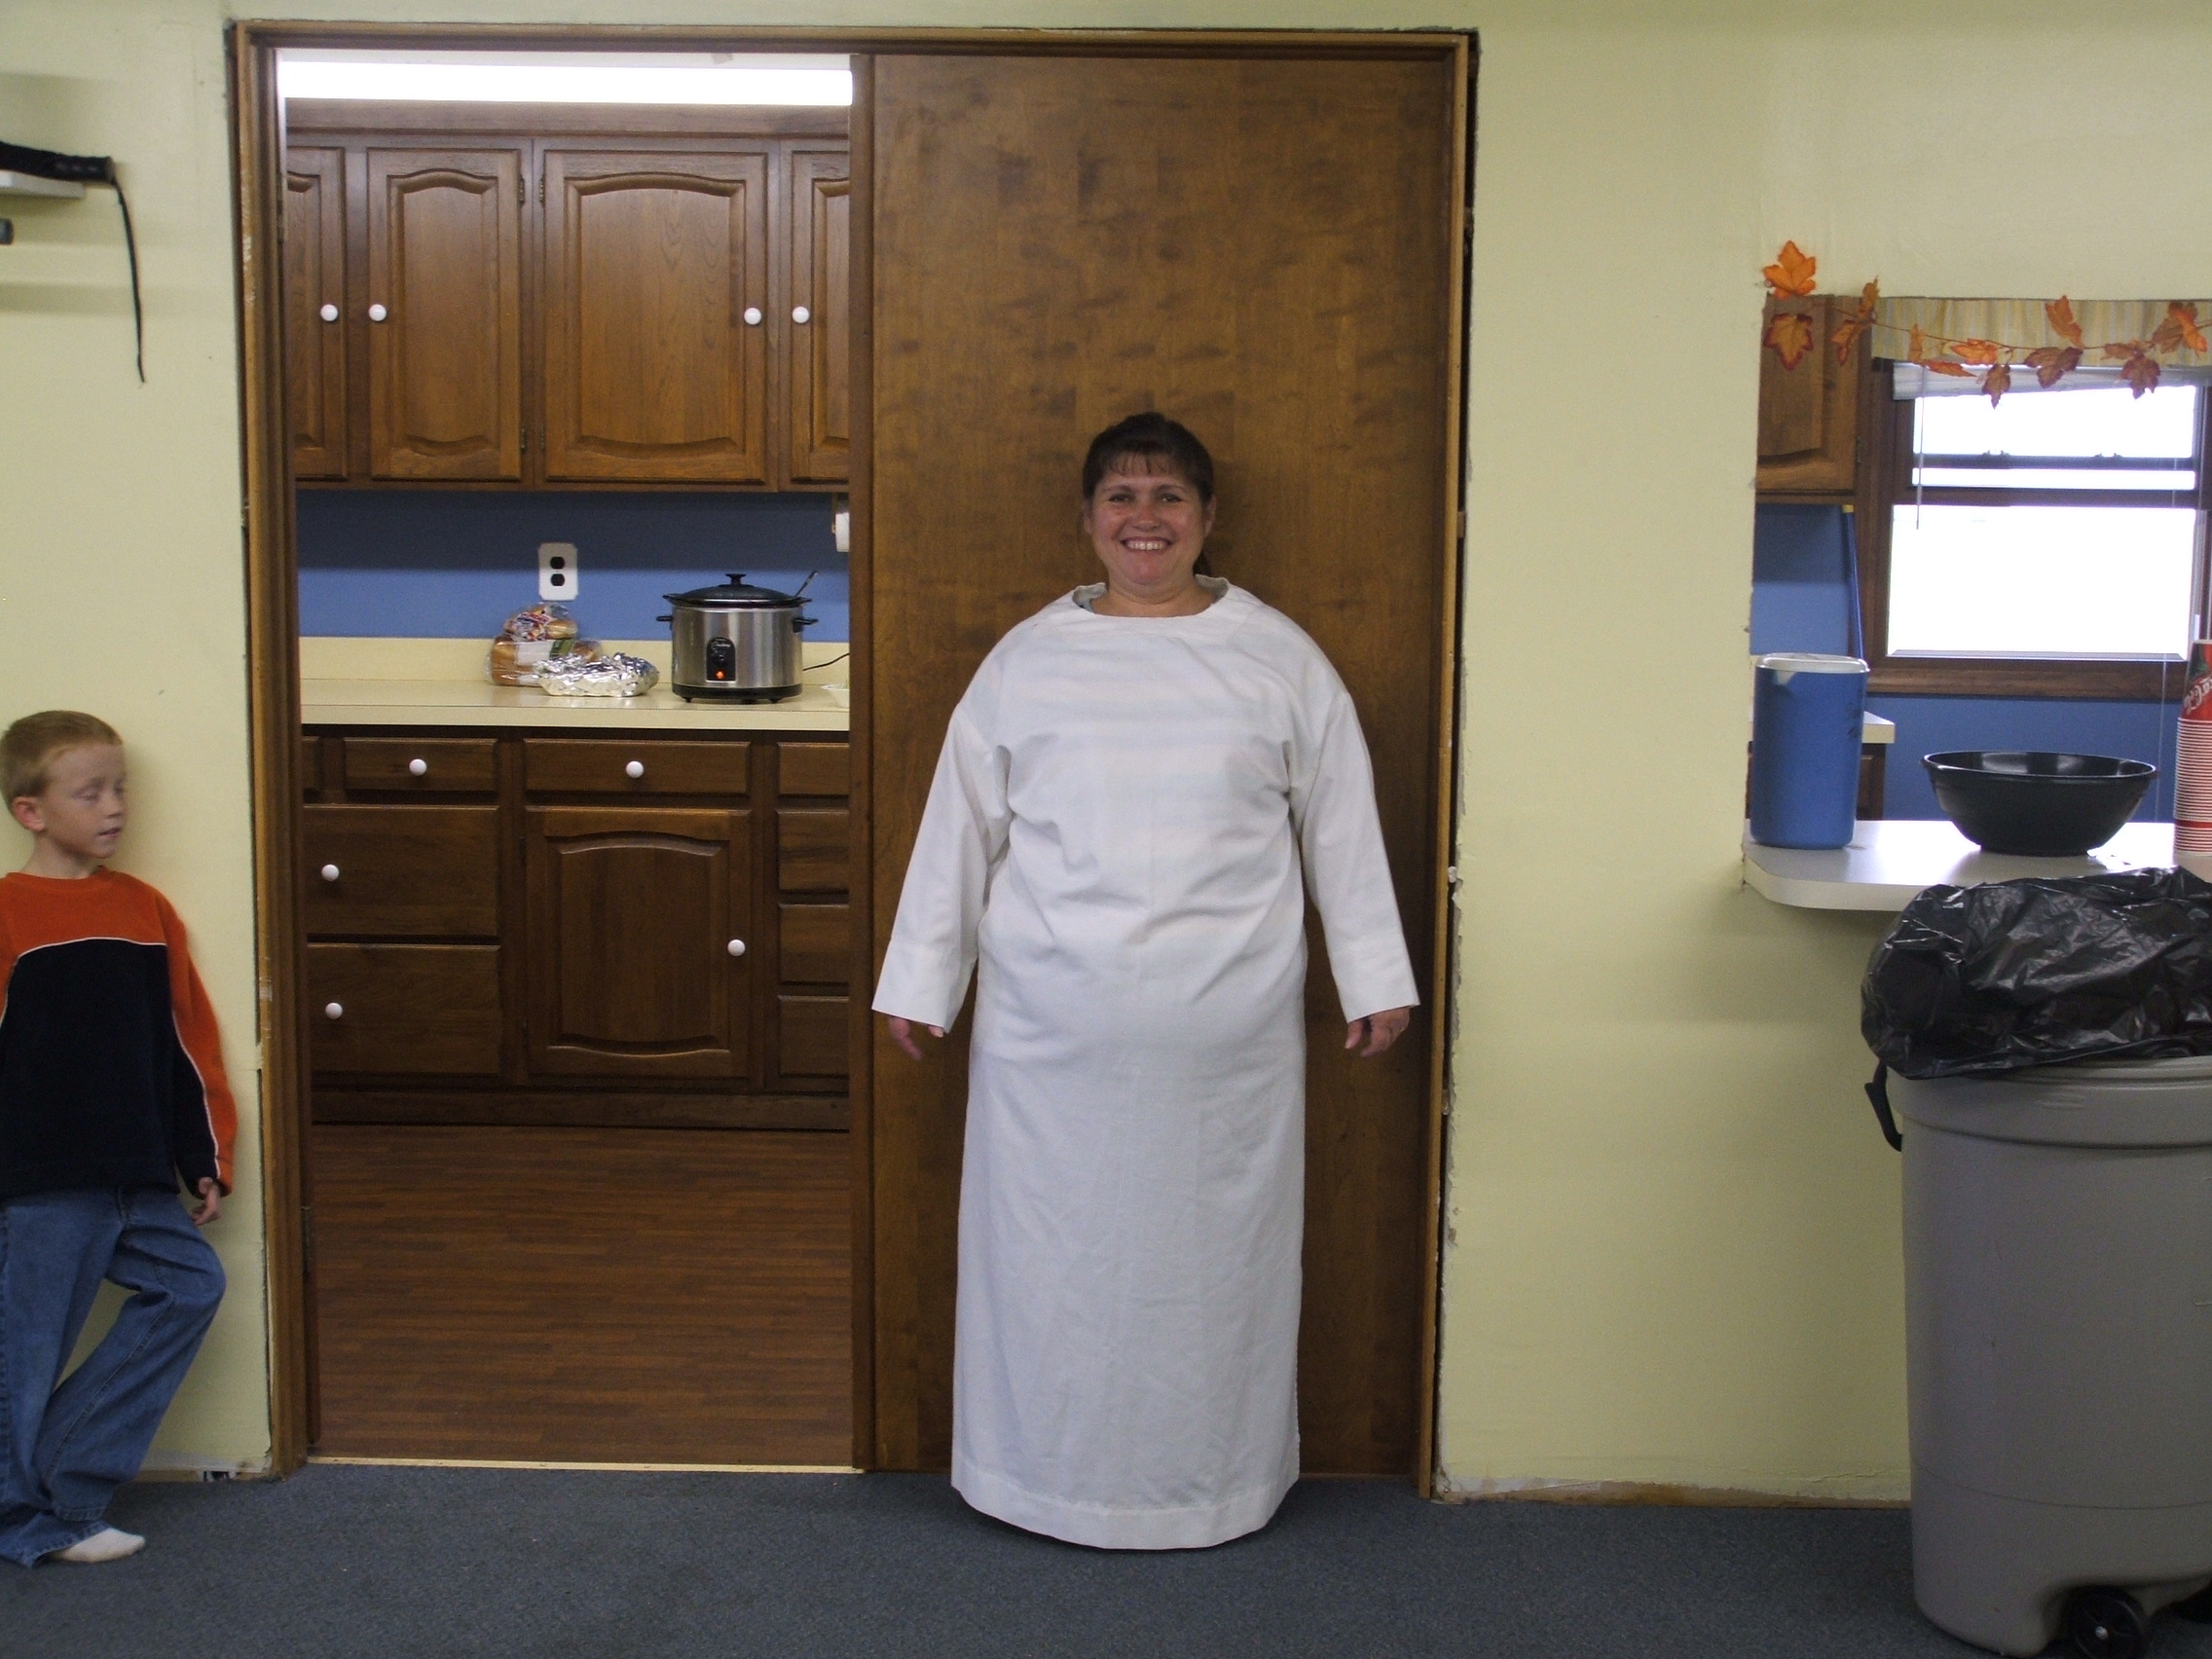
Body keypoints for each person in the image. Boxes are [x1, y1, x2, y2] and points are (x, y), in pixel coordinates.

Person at [872, 413, 1417, 1550]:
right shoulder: (1025, 662)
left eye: (1169, 496)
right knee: (1051, 1264)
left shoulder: (1278, 659)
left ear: (1208, 518)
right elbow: (961, 828)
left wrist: (1374, 973)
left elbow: (1340, 822)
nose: (1145, 519)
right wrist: (921, 979)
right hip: (1049, 1038)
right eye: (1121, 496)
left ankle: (1209, 1485)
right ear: (1087, 520)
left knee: (1211, 1275)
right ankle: (1033, 1476)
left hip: (1225, 1043)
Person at [0, 711, 233, 1567]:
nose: (114, 807)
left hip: (137, 1172)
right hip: (42, 1182)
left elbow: (186, 1041)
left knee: (191, 1286)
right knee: (22, 1358)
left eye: (120, 788)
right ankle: (23, 1522)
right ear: (30, 811)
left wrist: (203, 1156)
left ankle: (64, 1485)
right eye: (89, 792)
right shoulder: (6, 912)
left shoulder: (143, 909)